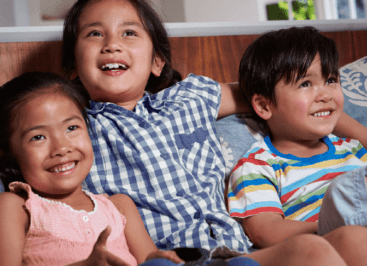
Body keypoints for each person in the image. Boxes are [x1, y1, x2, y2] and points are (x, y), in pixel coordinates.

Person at [61, 0, 367, 264]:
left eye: (129, 32)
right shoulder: (72, 128)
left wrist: (363, 137)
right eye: (95, 33)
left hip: (238, 253)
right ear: (73, 65)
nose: (112, 44)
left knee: (319, 248)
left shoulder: (188, 98)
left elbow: (291, 100)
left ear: (157, 61)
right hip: (169, 258)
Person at [0, 72, 185, 266]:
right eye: (38, 137)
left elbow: (150, 260)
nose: (61, 148)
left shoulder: (119, 206)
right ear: (11, 152)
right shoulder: (16, 207)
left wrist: (164, 259)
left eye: (71, 128)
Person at [227, 26, 367, 265]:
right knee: (354, 233)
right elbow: (265, 230)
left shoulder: (353, 148)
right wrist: (328, 225)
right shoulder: (258, 165)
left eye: (331, 80)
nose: (325, 94)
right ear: (264, 106)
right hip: (330, 243)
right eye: (305, 84)